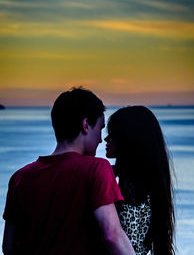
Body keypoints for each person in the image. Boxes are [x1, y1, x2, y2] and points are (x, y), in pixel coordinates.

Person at [2, 88, 135, 255]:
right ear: (85, 125)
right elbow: (112, 235)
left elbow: (8, 246)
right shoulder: (97, 168)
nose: (101, 139)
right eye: (100, 129)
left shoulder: (20, 177)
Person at [105, 106, 175, 255]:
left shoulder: (132, 188)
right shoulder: (146, 182)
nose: (105, 139)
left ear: (128, 140)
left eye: (111, 135)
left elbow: (128, 242)